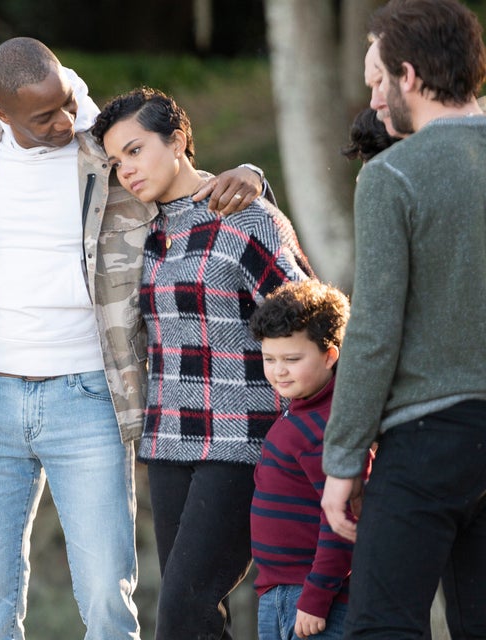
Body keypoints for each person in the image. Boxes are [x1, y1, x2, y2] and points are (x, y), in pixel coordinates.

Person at [0, 37, 265, 640]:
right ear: (1, 114)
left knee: (109, 601)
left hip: (88, 396)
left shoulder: (98, 146)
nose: (61, 122)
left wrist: (248, 175)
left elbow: (174, 172)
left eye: (66, 105)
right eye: (42, 117)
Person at [91, 86, 315, 639]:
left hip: (243, 438)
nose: (127, 171)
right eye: (116, 162)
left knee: (184, 607)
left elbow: (310, 317)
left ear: (179, 140)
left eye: (136, 150)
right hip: (169, 441)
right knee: (195, 611)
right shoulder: (144, 231)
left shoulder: (246, 217)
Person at [320, 0, 486, 637]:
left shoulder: (393, 174)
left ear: (408, 75)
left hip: (428, 442)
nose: (374, 96)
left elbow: (374, 332)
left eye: (376, 79)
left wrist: (343, 460)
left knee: (382, 627)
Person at [248, 280, 371, 640]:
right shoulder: (301, 411)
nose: (278, 371)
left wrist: (316, 598)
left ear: (330, 355)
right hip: (279, 590)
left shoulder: (331, 424)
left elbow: (342, 520)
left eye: (292, 359)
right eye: (269, 359)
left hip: (311, 597)